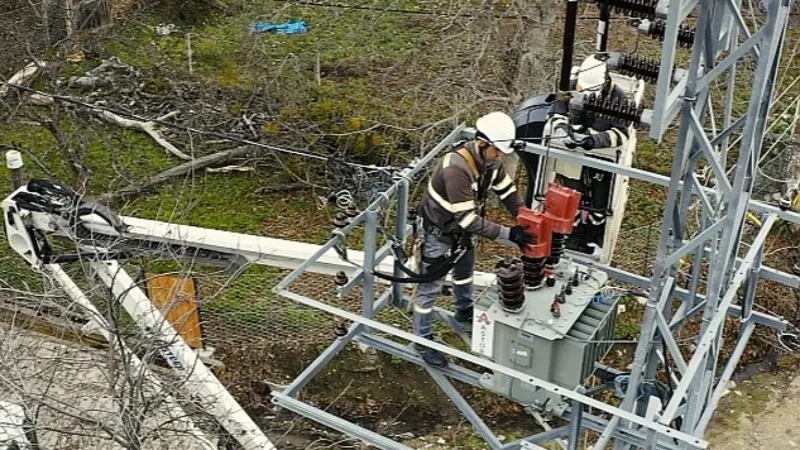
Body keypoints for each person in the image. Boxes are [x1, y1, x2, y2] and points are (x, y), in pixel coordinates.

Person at [412, 111, 536, 368]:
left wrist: (527, 221)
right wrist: (509, 235)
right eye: (497, 151)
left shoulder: (490, 164)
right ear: (482, 143)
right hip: (439, 233)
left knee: (465, 271)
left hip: (460, 232)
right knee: (430, 287)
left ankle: (464, 311)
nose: (500, 156)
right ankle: (422, 340)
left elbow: (509, 194)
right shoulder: (456, 169)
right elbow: (467, 219)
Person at [544, 54, 631, 256]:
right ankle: (570, 237)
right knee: (571, 196)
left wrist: (592, 141)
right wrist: (565, 132)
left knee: (599, 202)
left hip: (601, 159)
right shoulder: (571, 87)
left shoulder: (619, 100)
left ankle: (593, 237)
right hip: (572, 157)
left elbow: (620, 134)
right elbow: (556, 113)